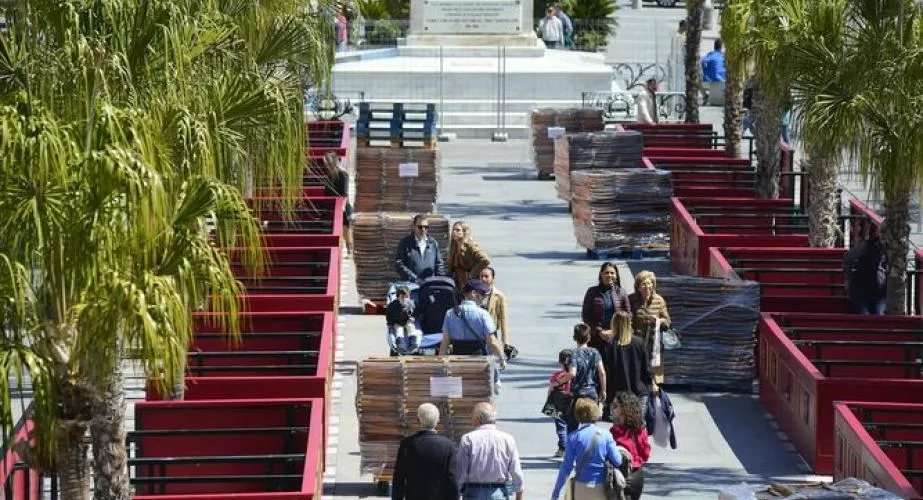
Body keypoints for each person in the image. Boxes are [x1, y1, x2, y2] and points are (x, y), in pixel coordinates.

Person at [551, 398, 624, 500]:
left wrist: (555, 493)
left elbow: (566, 468)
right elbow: (618, 461)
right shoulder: (606, 435)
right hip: (601, 488)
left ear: (577, 415)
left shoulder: (573, 437)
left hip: (581, 488)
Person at [455, 402, 525, 500]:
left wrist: (456, 493)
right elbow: (516, 470)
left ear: (477, 419)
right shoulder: (507, 439)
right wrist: (519, 494)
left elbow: (461, 472)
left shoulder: (468, 439)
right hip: (499, 493)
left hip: (473, 493)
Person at [392, 403, 459, 500]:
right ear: (438, 420)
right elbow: (452, 479)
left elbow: (399, 477)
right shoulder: (448, 445)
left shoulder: (407, 444)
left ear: (418, 420)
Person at [439, 280, 507, 368]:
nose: (483, 297)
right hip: (479, 363)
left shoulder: (450, 313)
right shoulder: (483, 314)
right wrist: (502, 359)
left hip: (457, 362)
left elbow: (445, 342)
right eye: (482, 293)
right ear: (474, 293)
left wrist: (441, 362)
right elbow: (492, 341)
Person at [604, 312, 655, 414]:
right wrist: (651, 384)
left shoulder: (610, 345)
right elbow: (646, 368)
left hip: (619, 394)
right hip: (638, 392)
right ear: (629, 324)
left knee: (620, 428)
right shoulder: (639, 342)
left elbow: (608, 372)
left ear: (614, 324)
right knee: (638, 427)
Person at [563, 323, 607, 433]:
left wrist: (559, 381)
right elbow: (602, 372)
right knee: (591, 425)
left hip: (577, 394)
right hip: (592, 393)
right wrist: (603, 390)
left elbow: (572, 373)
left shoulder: (574, 354)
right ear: (589, 337)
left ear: (575, 338)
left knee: (572, 426)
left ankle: (572, 447)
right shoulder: (595, 352)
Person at [628, 270, 670, 386]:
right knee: (637, 374)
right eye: (644, 284)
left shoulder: (659, 300)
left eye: (650, 283)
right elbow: (628, 321)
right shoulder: (631, 300)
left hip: (654, 344)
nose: (647, 287)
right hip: (637, 342)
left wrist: (658, 321)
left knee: (654, 379)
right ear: (638, 286)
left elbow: (667, 321)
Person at [581, 262, 631, 358]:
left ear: (616, 276)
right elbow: (586, 316)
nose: (609, 275)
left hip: (617, 338)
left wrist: (615, 331)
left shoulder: (621, 292)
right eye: (606, 273)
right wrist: (600, 332)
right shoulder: (592, 292)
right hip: (596, 338)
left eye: (612, 273)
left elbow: (628, 315)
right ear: (601, 274)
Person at [609, 392, 651, 500]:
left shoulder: (615, 431)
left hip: (620, 475)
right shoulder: (641, 429)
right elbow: (645, 454)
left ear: (624, 409)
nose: (612, 408)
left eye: (615, 406)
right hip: (637, 474)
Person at [843, 221, 886, 315]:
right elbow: (849, 257)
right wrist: (847, 278)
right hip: (861, 292)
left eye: (887, 232)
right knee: (865, 316)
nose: (884, 235)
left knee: (880, 315)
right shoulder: (867, 245)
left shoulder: (893, 251)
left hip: (880, 293)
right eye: (882, 231)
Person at [395, 214, 445, 284]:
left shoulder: (432, 243)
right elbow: (399, 264)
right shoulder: (405, 243)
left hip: (429, 285)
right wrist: (415, 279)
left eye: (426, 227)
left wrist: (440, 281)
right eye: (420, 227)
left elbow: (439, 264)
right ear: (414, 227)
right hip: (411, 285)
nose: (423, 230)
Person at [321, 152, 354, 256]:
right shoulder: (329, 174)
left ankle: (350, 251)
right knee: (337, 231)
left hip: (343, 206)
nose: (325, 165)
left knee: (346, 231)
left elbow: (345, 193)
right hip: (332, 206)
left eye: (326, 163)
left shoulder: (343, 174)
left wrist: (342, 207)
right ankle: (340, 252)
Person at [447, 221, 492, 289]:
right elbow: (451, 266)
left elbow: (485, 260)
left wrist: (471, 274)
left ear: (464, 232)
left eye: (458, 230)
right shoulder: (454, 246)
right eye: (453, 230)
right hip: (459, 283)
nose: (454, 232)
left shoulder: (470, 245)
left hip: (472, 284)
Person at [548, 349, 573, 457]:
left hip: (557, 402)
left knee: (560, 427)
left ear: (560, 362)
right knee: (571, 426)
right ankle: (571, 447)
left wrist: (548, 400)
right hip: (571, 402)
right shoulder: (573, 376)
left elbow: (551, 389)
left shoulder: (556, 376)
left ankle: (562, 448)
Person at [479, 267, 510, 348]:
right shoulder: (474, 293)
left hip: (491, 333)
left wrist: (505, 340)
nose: (483, 279)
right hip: (475, 333)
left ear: (492, 279)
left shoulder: (499, 296)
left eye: (486, 276)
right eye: (481, 276)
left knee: (491, 358)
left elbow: (503, 318)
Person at [386, 285, 418, 350]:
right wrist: (390, 324)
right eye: (402, 297)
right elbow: (389, 315)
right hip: (398, 322)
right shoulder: (392, 305)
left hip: (407, 321)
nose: (404, 299)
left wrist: (413, 317)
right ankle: (400, 344)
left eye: (406, 297)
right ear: (398, 297)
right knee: (398, 330)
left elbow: (416, 312)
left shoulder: (410, 303)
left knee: (411, 328)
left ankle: (413, 342)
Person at [702, 39, 726, 103]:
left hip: (709, 80)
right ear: (721, 47)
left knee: (697, 81)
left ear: (714, 46)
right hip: (723, 81)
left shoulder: (711, 54)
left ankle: (705, 95)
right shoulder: (723, 56)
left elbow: (703, 61)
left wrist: (705, 71)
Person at [667, 20, 687, 93]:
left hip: (680, 60)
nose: (686, 29)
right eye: (685, 27)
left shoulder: (683, 35)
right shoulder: (676, 35)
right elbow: (675, 49)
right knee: (672, 77)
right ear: (682, 26)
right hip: (673, 59)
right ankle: (670, 93)